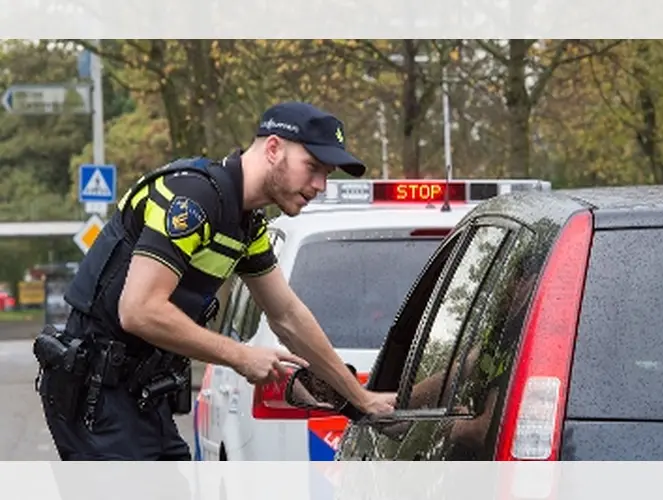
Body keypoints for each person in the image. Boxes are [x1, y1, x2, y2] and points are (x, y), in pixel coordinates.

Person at [33, 101, 397, 461]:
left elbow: (288, 316)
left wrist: (360, 398)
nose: (320, 185)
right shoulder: (191, 198)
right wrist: (240, 356)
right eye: (313, 167)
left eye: (327, 174)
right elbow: (139, 310)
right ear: (273, 148)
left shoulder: (245, 223)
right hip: (97, 395)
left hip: (139, 395)